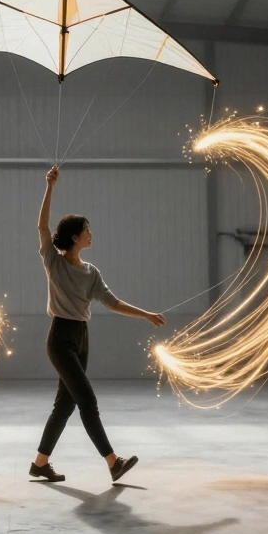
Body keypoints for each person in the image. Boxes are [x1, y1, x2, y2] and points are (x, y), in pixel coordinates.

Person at [29, 165, 166, 483]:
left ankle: (39, 463)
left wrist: (145, 314)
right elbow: (42, 226)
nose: (92, 234)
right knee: (87, 400)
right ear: (76, 237)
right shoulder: (53, 261)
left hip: (81, 338)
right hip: (60, 338)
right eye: (88, 230)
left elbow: (114, 303)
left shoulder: (91, 271)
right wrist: (49, 186)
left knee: (65, 405)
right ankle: (112, 462)